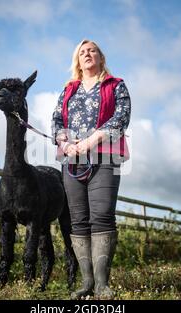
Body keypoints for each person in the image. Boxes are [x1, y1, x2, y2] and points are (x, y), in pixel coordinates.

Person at [51, 39, 131, 299]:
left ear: (100, 56)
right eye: (82, 52)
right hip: (72, 161)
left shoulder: (115, 85)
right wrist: (65, 141)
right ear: (78, 60)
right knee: (78, 220)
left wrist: (90, 140)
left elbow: (121, 117)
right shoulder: (68, 90)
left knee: (102, 216)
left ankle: (102, 284)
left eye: (92, 50)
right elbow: (56, 120)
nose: (87, 54)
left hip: (105, 157)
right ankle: (86, 283)